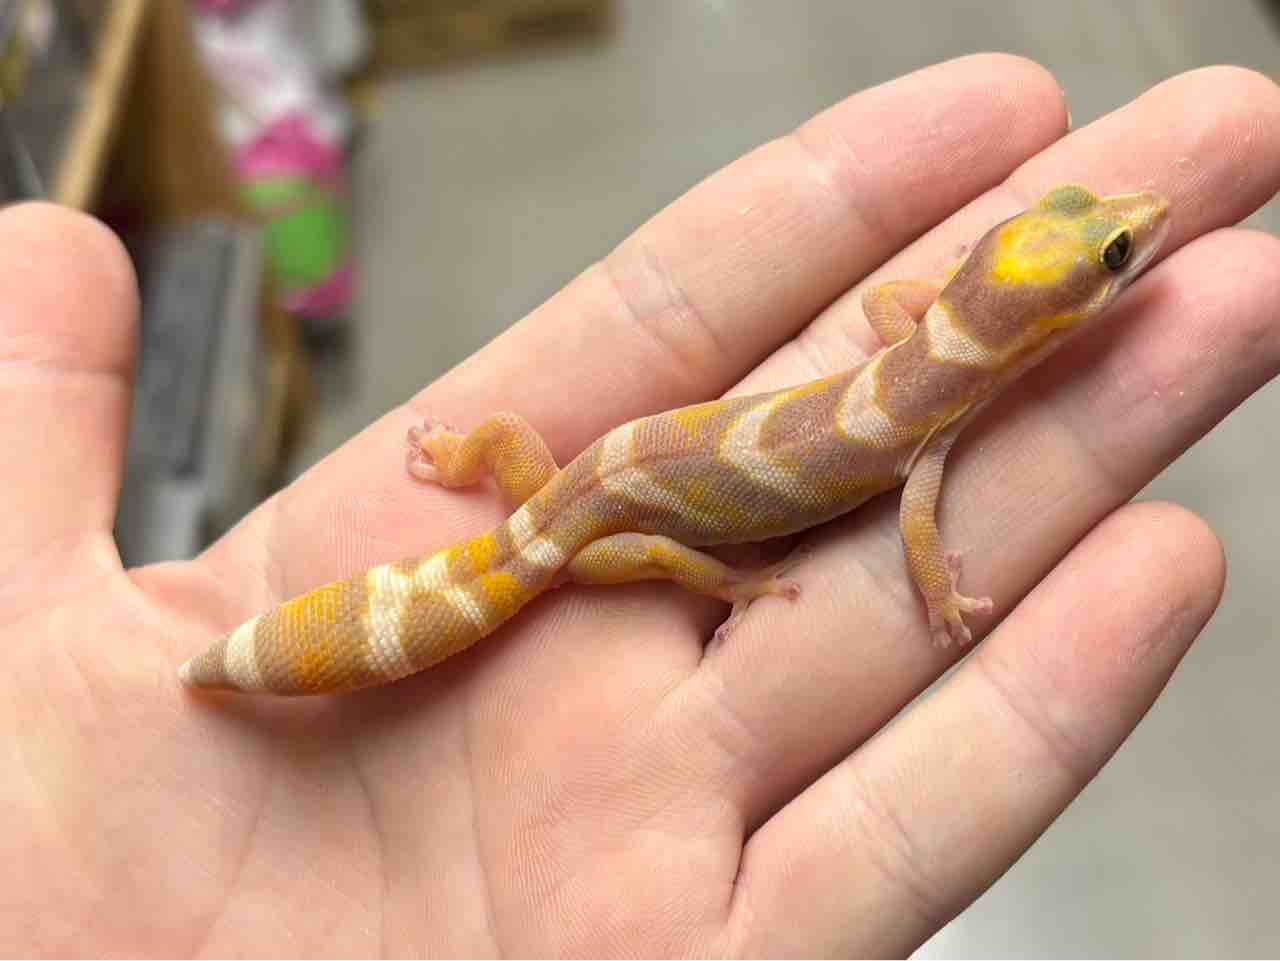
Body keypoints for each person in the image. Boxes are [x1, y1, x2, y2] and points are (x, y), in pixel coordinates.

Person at [5, 54, 1279, 955]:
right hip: (577, 540)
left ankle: (457, 477)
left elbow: (893, 311)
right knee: (616, 557)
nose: (1136, 230)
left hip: (556, 490)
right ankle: (646, 565)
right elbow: (913, 522)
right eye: (1110, 254)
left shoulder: (917, 353)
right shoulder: (924, 430)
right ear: (1037, 320)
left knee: (525, 494)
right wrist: (798, 585)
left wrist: (473, 464)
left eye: (1104, 246)